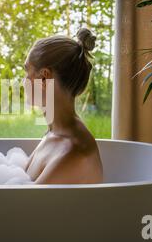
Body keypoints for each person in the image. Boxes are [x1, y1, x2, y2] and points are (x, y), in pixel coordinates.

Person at [23, 28, 103, 184]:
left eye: (27, 72)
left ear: (44, 78)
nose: (23, 81)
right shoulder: (54, 134)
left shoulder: (72, 152)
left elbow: (24, 207)